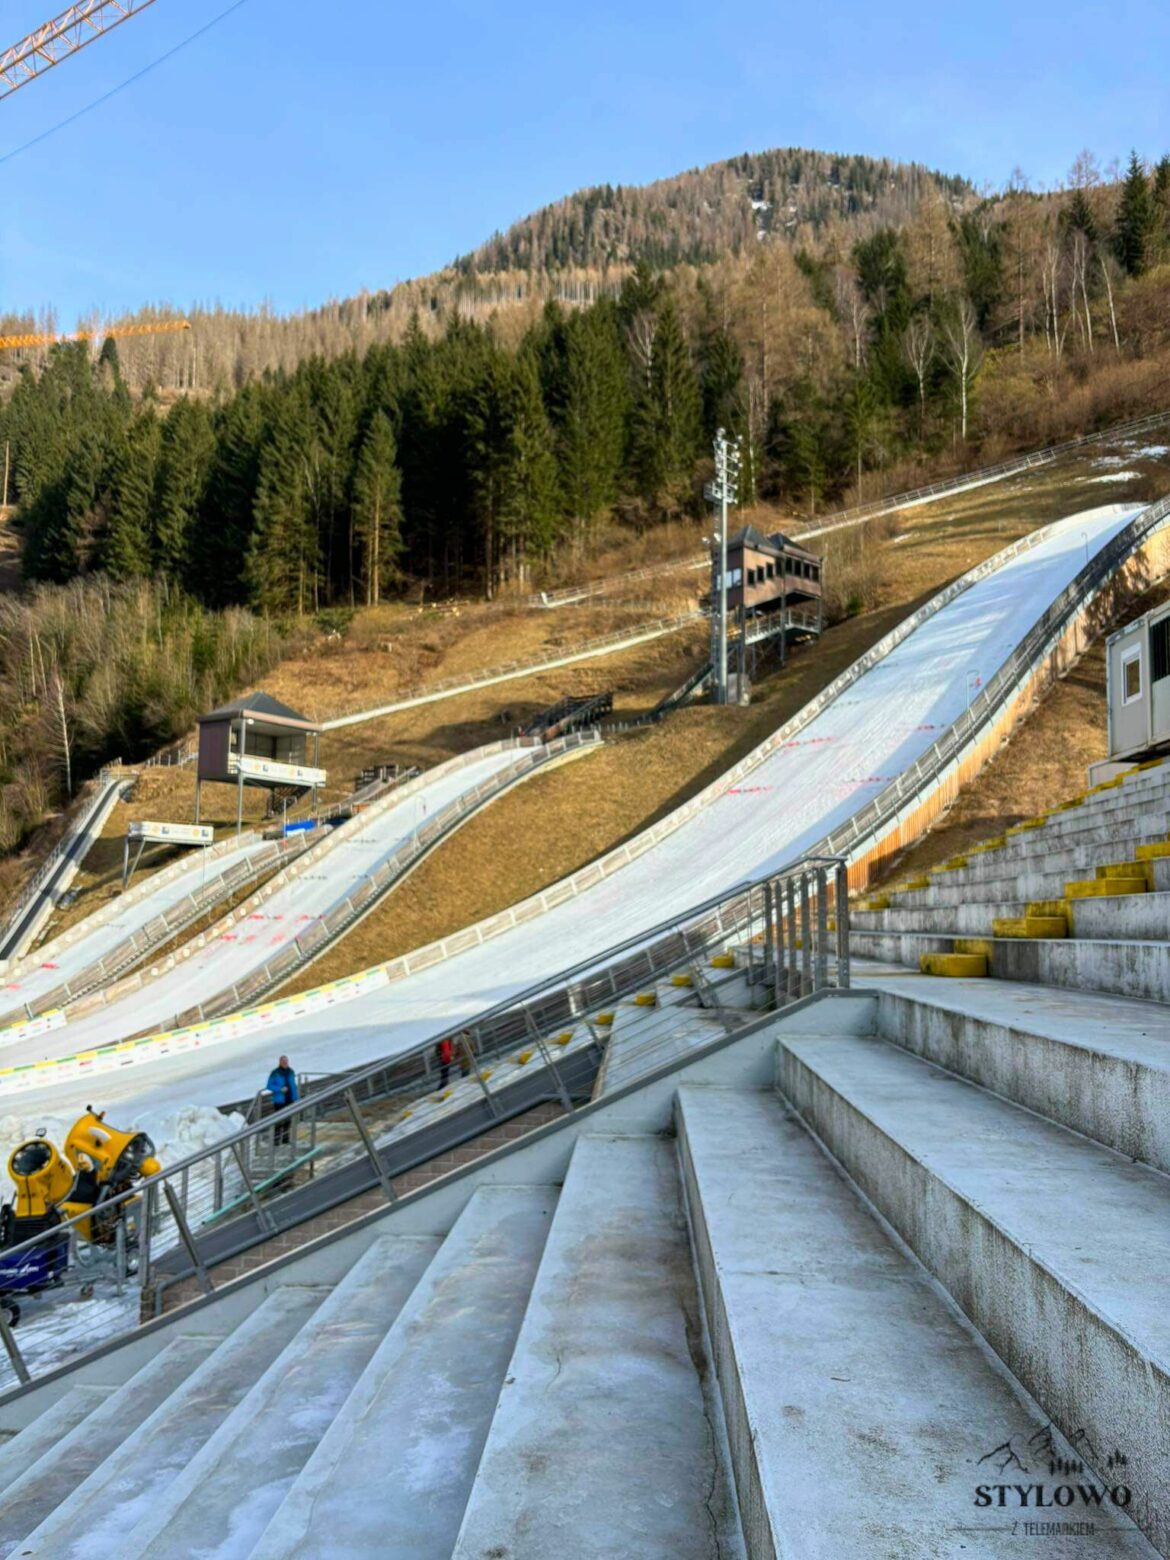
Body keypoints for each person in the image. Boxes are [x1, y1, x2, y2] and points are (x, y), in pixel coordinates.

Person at [266, 1055, 299, 1145]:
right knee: (279, 1120)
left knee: (288, 1120)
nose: (285, 1063)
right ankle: (276, 1140)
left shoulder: (291, 1071)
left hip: (290, 1099)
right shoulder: (275, 1073)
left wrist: (296, 1097)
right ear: (280, 1062)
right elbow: (269, 1085)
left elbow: (293, 1085)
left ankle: (285, 1139)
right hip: (279, 1100)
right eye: (283, 1061)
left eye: (286, 1061)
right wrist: (280, 1089)